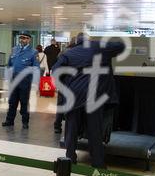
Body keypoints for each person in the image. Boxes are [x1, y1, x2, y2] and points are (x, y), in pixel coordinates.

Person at [52, 33, 124, 168]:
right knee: (94, 130)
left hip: (73, 96)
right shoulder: (99, 47)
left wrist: (67, 84)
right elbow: (121, 46)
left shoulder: (68, 53)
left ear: (76, 41)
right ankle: (97, 162)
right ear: (88, 40)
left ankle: (70, 159)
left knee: (71, 129)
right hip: (94, 97)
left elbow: (55, 71)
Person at [2, 33, 39, 130]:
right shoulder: (14, 49)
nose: (23, 40)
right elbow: (9, 65)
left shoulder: (33, 52)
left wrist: (35, 83)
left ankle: (25, 122)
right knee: (12, 102)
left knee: (24, 102)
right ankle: (9, 121)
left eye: (25, 38)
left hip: (25, 81)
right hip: (13, 81)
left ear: (29, 40)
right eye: (21, 38)